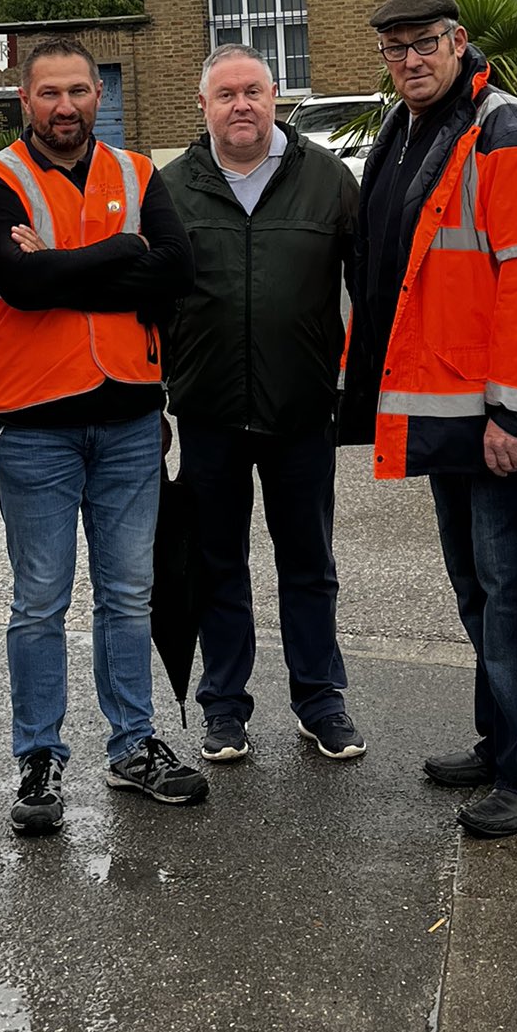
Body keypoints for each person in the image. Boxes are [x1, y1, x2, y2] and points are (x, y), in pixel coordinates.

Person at [342, 0, 517, 839]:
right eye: (395, 49)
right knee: (480, 591)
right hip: (449, 410)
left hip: (501, 419)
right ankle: (501, 742)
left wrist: (515, 417)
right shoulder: (410, 129)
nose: (410, 60)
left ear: (459, 44)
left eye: (424, 44)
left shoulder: (505, 128)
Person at [0, 39, 204, 837]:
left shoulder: (138, 174)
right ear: (23, 100)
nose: (65, 107)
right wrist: (122, 252)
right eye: (48, 93)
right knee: (39, 601)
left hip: (131, 416)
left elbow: (175, 268)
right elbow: (22, 288)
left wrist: (70, 265)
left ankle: (133, 745)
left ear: (98, 94)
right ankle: (38, 757)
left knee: (128, 594)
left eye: (78, 91)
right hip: (34, 423)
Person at [160, 45, 364, 765]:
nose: (240, 105)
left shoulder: (329, 181)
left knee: (308, 561)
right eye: (225, 95)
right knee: (217, 563)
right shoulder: (173, 188)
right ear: (203, 106)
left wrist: (359, 392)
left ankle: (320, 701)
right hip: (209, 410)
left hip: (303, 409)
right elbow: (150, 302)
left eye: (252, 91)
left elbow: (367, 292)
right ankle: (225, 708)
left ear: (274, 96)